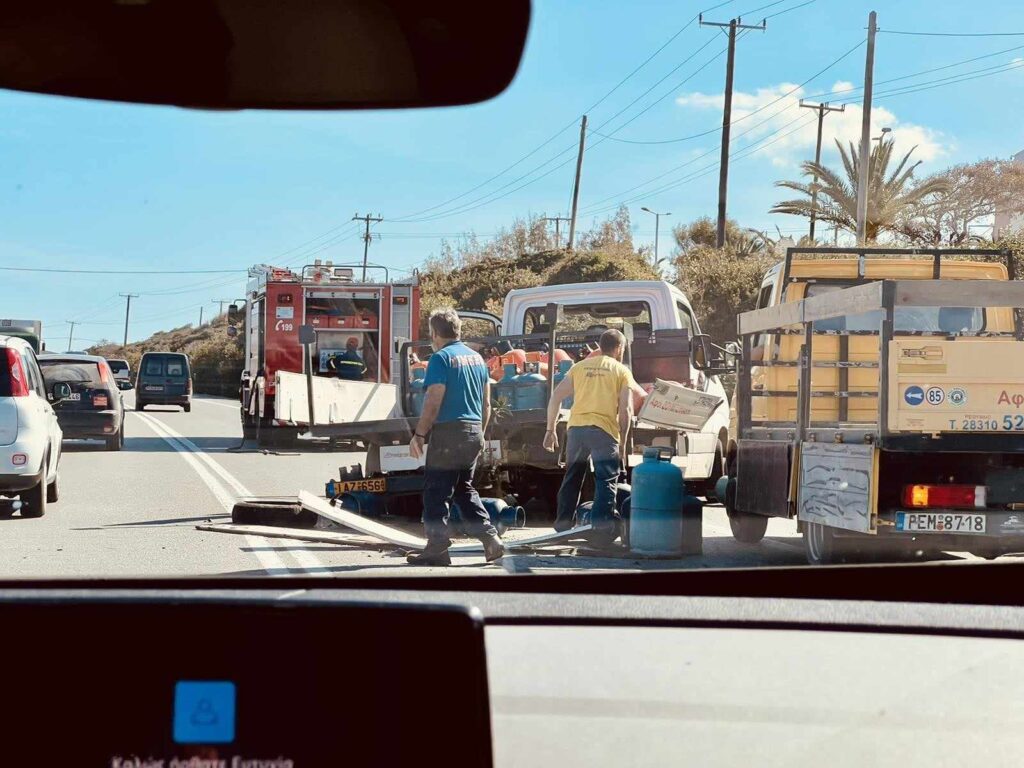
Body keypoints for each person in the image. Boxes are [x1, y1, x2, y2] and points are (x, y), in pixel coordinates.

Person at [407, 308, 504, 566]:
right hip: (473, 429)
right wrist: (480, 435)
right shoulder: (477, 359)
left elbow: (433, 400)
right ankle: (491, 539)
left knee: (436, 491)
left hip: (449, 431)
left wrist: (419, 434)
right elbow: (486, 405)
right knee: (463, 488)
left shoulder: (440, 358)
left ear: (435, 333)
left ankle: (437, 549)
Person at [544, 329, 644, 536]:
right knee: (606, 479)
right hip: (603, 431)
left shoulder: (578, 368)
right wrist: (623, 443)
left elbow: (555, 396)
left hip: (577, 430)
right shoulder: (621, 371)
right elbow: (625, 409)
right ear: (619, 349)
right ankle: (601, 529)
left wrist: (550, 429)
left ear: (600, 346)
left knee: (572, 476)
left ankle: (562, 526)